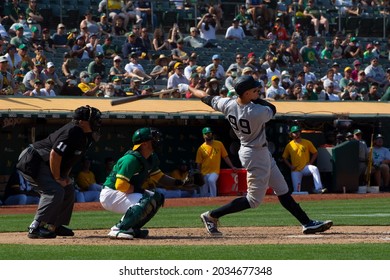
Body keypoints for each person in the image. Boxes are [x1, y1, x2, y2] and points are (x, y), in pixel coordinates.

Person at [178, 76, 333, 236]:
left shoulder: (227, 104)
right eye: (254, 90)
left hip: (257, 151)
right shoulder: (255, 111)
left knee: (283, 190)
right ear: (245, 93)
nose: (258, 91)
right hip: (254, 153)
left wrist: (188, 88)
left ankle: (307, 223)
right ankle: (212, 216)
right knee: (253, 200)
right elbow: (272, 108)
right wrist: (255, 99)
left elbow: (205, 97)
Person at [15, 105, 102, 238]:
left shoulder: (85, 136)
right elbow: (55, 154)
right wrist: (57, 178)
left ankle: (53, 226)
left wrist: (64, 177)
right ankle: (36, 227)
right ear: (82, 122)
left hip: (44, 162)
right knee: (54, 190)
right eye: (94, 119)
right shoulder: (73, 130)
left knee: (68, 188)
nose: (97, 122)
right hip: (33, 159)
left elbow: (71, 159)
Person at [99, 127, 194, 239]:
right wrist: (142, 191)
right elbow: (120, 185)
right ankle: (118, 229)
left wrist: (180, 183)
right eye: (153, 139)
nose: (157, 141)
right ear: (144, 144)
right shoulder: (131, 159)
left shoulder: (151, 157)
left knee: (157, 198)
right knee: (147, 198)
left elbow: (160, 178)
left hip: (123, 192)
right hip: (111, 194)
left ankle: (132, 228)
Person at [282, 126, 327, 194]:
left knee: (314, 168)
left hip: (305, 167)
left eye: (297, 132)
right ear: (291, 134)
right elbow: (284, 157)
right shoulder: (289, 145)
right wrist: (290, 166)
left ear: (300, 132)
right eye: (294, 132)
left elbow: (315, 153)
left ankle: (318, 188)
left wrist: (310, 162)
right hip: (295, 169)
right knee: (296, 191)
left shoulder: (307, 142)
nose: (296, 134)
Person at [195, 127, 237, 197]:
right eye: (206, 134)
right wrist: (199, 174)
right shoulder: (201, 148)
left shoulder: (219, 144)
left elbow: (225, 157)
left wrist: (232, 166)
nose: (208, 135)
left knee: (211, 180)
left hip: (214, 171)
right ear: (203, 135)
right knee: (203, 190)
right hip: (204, 172)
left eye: (210, 133)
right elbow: (198, 163)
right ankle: (203, 203)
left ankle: (214, 199)